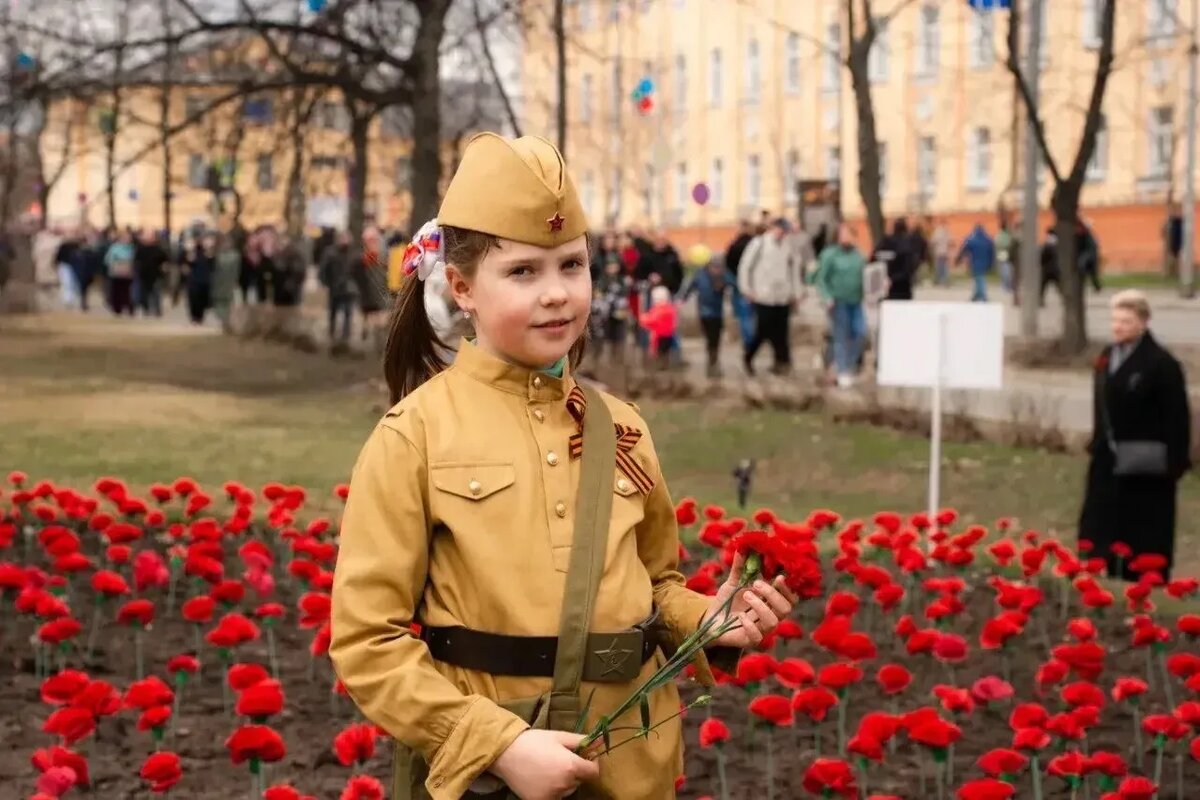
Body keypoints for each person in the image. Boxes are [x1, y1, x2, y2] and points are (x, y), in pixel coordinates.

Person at [329, 132, 795, 800]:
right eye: (523, 272)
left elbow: (655, 584)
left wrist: (708, 618)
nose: (557, 293)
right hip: (496, 780)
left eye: (572, 265)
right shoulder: (415, 435)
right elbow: (366, 639)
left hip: (633, 768)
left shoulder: (623, 427)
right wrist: (497, 745)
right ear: (462, 287)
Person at [1078, 290, 1192, 582]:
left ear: (1143, 322)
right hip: (1108, 459)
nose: (1117, 327)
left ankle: (1143, 577)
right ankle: (1103, 565)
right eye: (1114, 320)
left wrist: (1174, 462)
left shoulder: (1161, 364)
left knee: (1143, 528)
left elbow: (1177, 417)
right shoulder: (1107, 356)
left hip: (1148, 464)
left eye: (1126, 321)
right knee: (1102, 523)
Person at [738, 217, 804, 376]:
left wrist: (796, 292)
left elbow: (794, 270)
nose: (783, 233)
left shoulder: (788, 246)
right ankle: (748, 356)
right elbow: (745, 267)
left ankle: (782, 362)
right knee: (763, 330)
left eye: (785, 231)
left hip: (782, 296)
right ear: (774, 228)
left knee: (782, 332)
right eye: (781, 229)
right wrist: (746, 289)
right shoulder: (759, 243)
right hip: (763, 295)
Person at [813, 223, 866, 388]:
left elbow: (866, 275)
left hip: (856, 301)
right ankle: (842, 370)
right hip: (837, 301)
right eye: (843, 234)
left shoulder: (858, 255)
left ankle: (844, 364)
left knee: (860, 333)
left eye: (849, 234)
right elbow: (821, 278)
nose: (846, 237)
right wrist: (827, 297)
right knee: (841, 336)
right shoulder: (830, 255)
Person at [680, 246, 735, 378]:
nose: (716, 269)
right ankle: (712, 362)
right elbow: (690, 287)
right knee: (710, 338)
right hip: (704, 313)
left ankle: (713, 361)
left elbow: (734, 284)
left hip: (717, 313)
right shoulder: (700, 275)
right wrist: (682, 299)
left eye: (719, 267)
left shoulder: (724, 275)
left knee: (715, 338)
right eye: (714, 266)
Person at [871, 218, 917, 301]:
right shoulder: (909, 244)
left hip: (885, 287)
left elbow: (874, 259)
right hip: (903, 288)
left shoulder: (885, 242)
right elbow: (910, 268)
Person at [956, 223, 995, 302]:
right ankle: (976, 295)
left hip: (975, 262)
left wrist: (958, 258)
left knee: (979, 278)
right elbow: (992, 252)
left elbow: (964, 248)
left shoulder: (972, 239)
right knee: (978, 277)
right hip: (985, 262)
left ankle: (983, 295)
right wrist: (991, 263)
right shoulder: (988, 239)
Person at [184, 232, 216, 324]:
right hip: (193, 278)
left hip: (205, 278)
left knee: (202, 299)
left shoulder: (209, 251)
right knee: (193, 298)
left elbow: (213, 265)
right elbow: (186, 262)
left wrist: (209, 252)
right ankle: (194, 317)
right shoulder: (192, 250)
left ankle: (200, 316)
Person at [104, 230, 136, 316]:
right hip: (116, 272)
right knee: (116, 291)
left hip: (128, 272)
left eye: (128, 238)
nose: (127, 239)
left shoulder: (132, 248)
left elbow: (135, 259)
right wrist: (116, 266)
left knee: (128, 291)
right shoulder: (115, 248)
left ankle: (130, 307)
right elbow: (108, 260)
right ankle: (117, 308)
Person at [994, 220, 1014, 295]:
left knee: (1004, 270)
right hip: (1006, 254)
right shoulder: (1008, 234)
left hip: (1002, 253)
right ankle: (1007, 286)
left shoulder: (999, 235)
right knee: (1007, 270)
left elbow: (997, 244)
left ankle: (1005, 285)